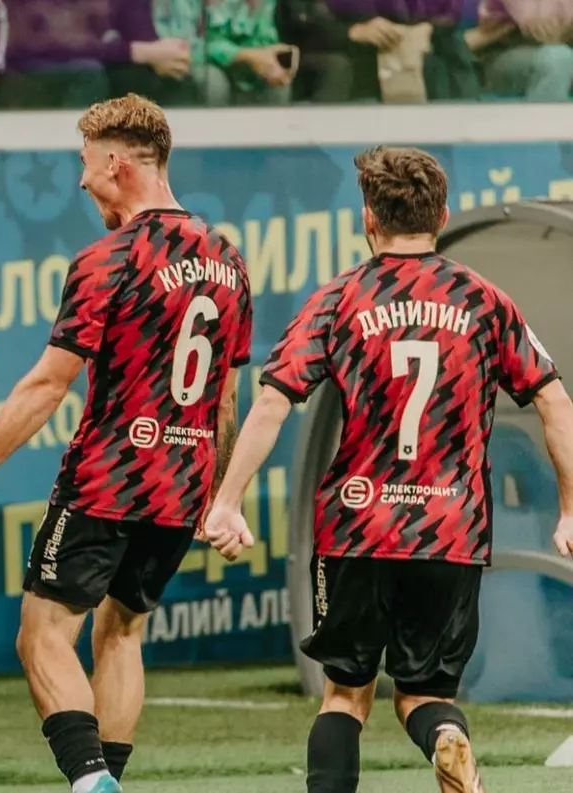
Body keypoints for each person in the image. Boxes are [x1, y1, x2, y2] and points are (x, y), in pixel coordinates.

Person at [202, 145, 573, 793]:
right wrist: (569, 508)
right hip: (451, 529)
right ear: (444, 215)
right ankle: (446, 734)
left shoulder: (342, 297)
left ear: (368, 218)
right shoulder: (482, 299)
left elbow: (273, 400)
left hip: (358, 525)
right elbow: (554, 400)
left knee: (345, 694)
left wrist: (227, 500)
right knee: (425, 693)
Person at [0, 93, 253, 793]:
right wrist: (219, 495)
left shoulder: (110, 259)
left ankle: (91, 780)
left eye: (85, 164)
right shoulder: (229, 260)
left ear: (115, 164)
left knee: (42, 633)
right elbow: (225, 398)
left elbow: (48, 385)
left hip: (108, 480)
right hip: (182, 483)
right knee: (123, 631)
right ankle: (107, 781)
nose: (79, 181)